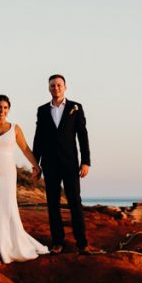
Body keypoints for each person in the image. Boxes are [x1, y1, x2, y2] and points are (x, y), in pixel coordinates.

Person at [0, 94, 49, 263]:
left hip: (7, 173)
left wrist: (36, 166)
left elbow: (25, 149)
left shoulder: (15, 128)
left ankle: (8, 243)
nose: (2, 110)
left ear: (9, 109)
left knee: (7, 206)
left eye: (5, 107)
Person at [32, 74, 91, 254]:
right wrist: (36, 164)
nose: (55, 88)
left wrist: (86, 161)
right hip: (50, 164)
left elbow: (82, 136)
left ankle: (82, 244)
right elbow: (38, 139)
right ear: (48, 88)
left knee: (75, 201)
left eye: (58, 85)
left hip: (70, 163)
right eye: (52, 86)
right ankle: (57, 242)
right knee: (53, 203)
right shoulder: (42, 110)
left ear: (65, 87)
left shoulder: (76, 107)